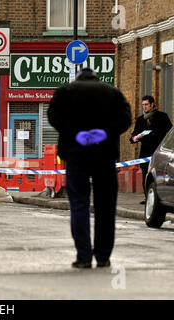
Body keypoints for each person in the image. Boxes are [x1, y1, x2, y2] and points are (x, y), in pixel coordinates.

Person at [48, 68, 132, 269]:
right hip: (104, 155)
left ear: (78, 77)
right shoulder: (112, 93)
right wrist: (103, 133)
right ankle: (103, 257)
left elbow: (53, 116)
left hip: (76, 154)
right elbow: (125, 119)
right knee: (106, 206)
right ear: (96, 77)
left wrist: (75, 133)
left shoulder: (65, 91)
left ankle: (84, 256)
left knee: (79, 204)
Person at [129, 95, 172, 204]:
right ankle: (147, 197)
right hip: (145, 152)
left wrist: (154, 135)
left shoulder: (162, 116)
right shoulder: (140, 120)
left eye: (146, 104)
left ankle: (158, 198)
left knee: (158, 175)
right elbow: (135, 133)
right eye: (143, 105)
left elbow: (170, 133)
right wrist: (134, 138)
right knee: (145, 174)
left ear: (152, 104)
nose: (144, 107)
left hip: (159, 151)